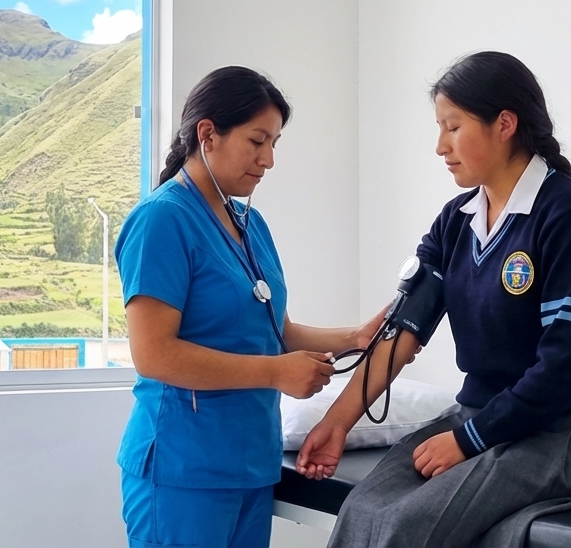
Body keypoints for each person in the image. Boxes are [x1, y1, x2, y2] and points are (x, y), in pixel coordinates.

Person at [296, 51, 571, 546]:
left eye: (453, 127)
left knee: (406, 524)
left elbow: (569, 366)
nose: (440, 146)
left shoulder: (568, 215)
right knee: (365, 507)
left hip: (570, 434)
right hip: (485, 421)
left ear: (504, 124)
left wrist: (467, 440)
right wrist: (336, 423)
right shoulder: (456, 220)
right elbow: (402, 331)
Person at [117, 66, 383, 548]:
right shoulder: (162, 221)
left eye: (275, 143)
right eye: (257, 141)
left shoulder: (249, 223)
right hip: (184, 469)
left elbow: (272, 329)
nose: (269, 160)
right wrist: (275, 373)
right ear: (208, 134)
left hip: (249, 466)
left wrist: (354, 337)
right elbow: (153, 355)